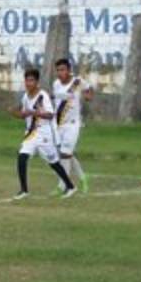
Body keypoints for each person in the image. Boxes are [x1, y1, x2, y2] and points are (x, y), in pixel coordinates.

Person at [13, 69, 75, 200]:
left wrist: (33, 113)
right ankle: (24, 190)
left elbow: (50, 114)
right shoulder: (25, 96)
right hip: (31, 134)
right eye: (26, 80)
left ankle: (70, 186)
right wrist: (15, 113)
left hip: (44, 134)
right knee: (22, 157)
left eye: (31, 80)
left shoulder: (43, 96)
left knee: (53, 162)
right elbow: (23, 113)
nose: (28, 83)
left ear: (37, 82)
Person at [52, 58, 94, 193]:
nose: (60, 72)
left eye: (63, 70)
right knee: (66, 154)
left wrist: (88, 96)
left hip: (73, 124)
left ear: (69, 70)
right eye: (58, 70)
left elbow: (89, 90)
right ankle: (83, 177)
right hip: (58, 124)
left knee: (65, 154)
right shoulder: (56, 84)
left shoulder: (77, 82)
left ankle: (63, 186)